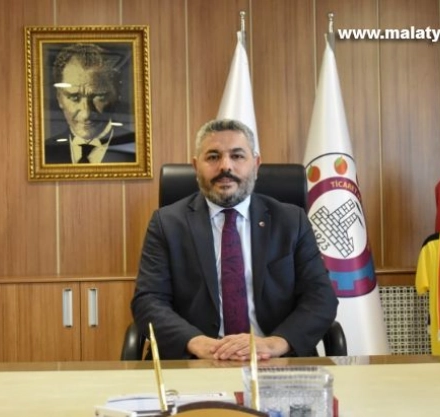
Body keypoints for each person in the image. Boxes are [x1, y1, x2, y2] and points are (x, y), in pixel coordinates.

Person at [131, 119, 338, 361]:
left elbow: (321, 297)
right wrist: (196, 343)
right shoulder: (167, 224)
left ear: (256, 165)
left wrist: (275, 343)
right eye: (213, 157)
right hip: (196, 359)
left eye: (237, 156)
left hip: (274, 359)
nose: (225, 166)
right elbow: (149, 301)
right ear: (196, 167)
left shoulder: (291, 221)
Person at [45, 43, 135, 164]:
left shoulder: (139, 149)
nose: (86, 114)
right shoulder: (43, 154)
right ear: (59, 98)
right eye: (74, 97)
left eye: (99, 97)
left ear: (117, 92)